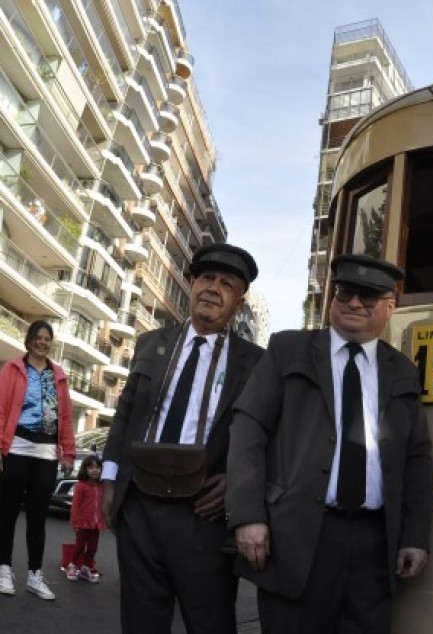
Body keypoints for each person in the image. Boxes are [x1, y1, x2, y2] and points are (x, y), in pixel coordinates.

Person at [227, 253, 433, 634]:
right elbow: (248, 428)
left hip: (375, 544)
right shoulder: (288, 350)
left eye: (368, 296)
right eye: (345, 292)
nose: (354, 302)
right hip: (297, 537)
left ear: (390, 306)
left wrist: (415, 537)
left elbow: (417, 457)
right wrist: (248, 515)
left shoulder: (402, 371)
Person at [101, 243, 264, 633]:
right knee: (141, 619)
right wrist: (109, 479)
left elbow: (264, 436)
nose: (213, 287)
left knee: (209, 621)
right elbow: (126, 414)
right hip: (139, 502)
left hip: (203, 511)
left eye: (227, 284)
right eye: (206, 278)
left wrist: (237, 484)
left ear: (237, 303)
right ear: (191, 285)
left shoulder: (256, 362)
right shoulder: (151, 344)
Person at [0, 319, 76, 600]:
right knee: (7, 511)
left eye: (48, 338)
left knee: (37, 516)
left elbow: (65, 417)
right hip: (17, 447)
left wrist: (68, 451)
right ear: (30, 339)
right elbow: (1, 408)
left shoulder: (58, 375)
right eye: (39, 337)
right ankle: (4, 569)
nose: (43, 342)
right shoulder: (13, 369)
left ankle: (35, 574)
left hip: (46, 453)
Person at [67, 454, 106, 583]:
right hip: (82, 523)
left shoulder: (102, 486)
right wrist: (75, 523)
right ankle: (72, 566)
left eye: (97, 467)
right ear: (85, 470)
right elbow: (75, 506)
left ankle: (86, 568)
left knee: (93, 548)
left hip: (96, 524)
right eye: (91, 468)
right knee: (79, 546)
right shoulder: (81, 486)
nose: (95, 470)